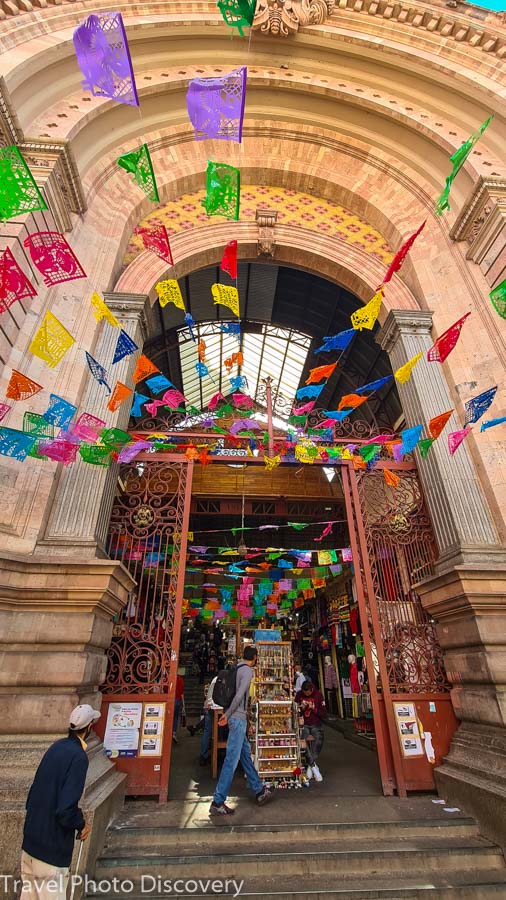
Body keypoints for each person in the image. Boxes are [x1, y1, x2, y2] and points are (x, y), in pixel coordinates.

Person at [21, 703, 100, 899]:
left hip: (30, 843)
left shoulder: (56, 747)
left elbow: (33, 793)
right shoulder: (79, 757)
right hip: (51, 851)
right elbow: (65, 809)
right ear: (89, 727)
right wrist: (81, 824)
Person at [210, 646, 272, 815]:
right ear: (255, 657)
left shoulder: (235, 668)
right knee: (232, 760)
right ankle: (218, 800)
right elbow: (239, 696)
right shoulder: (247, 671)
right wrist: (228, 714)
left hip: (236, 718)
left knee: (244, 755)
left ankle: (259, 790)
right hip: (237, 718)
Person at [296, 679, 326, 783]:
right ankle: (313, 766)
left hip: (315, 723)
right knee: (302, 741)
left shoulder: (318, 695)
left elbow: (323, 713)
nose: (306, 694)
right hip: (303, 724)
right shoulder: (299, 695)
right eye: (304, 693)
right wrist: (301, 708)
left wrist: (314, 709)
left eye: (308, 693)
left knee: (319, 740)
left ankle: (310, 765)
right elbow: (295, 709)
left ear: (311, 689)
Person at [199, 675, 222, 765]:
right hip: (216, 708)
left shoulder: (215, 679)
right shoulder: (225, 680)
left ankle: (204, 755)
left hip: (210, 707)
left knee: (207, 730)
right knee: (217, 729)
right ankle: (217, 752)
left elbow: (209, 695)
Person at [173, 671, 185, 743]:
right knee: (175, 717)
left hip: (169, 699)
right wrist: (183, 705)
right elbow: (182, 693)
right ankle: (174, 733)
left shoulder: (166, 678)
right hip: (177, 700)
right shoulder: (180, 679)